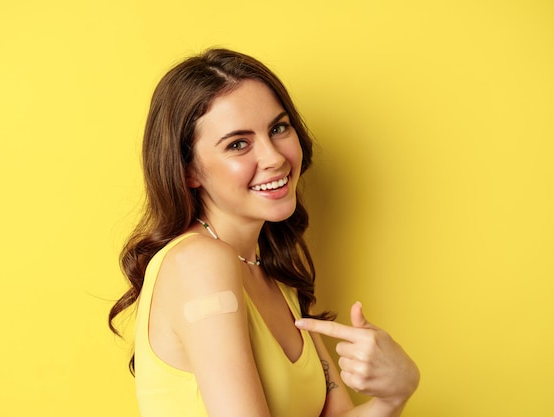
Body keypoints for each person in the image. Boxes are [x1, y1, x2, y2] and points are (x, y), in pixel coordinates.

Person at [109, 48, 419, 417]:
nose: (274, 157)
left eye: (278, 128)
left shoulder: (272, 275)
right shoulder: (200, 263)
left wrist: (396, 393)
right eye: (238, 144)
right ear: (188, 171)